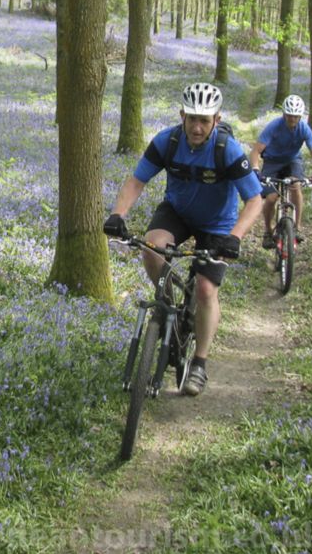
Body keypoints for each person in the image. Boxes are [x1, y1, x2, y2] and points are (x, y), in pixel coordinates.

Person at [103, 83, 263, 396]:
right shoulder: (167, 141)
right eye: (192, 119)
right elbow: (137, 181)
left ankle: (199, 363)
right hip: (177, 212)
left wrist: (235, 237)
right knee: (152, 248)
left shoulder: (228, 150)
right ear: (182, 116)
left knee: (205, 289)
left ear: (216, 120)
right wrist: (117, 215)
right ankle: (166, 302)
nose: (198, 127)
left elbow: (255, 200)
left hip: (217, 224)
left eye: (205, 120)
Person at [249, 94, 312, 249]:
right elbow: (256, 151)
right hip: (272, 161)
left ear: (300, 116)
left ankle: (296, 228)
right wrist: (256, 169)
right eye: (289, 116)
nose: (292, 120)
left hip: (292, 161)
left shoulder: (304, 128)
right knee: (270, 198)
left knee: (295, 186)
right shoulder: (274, 126)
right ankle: (268, 232)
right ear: (284, 114)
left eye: (296, 117)